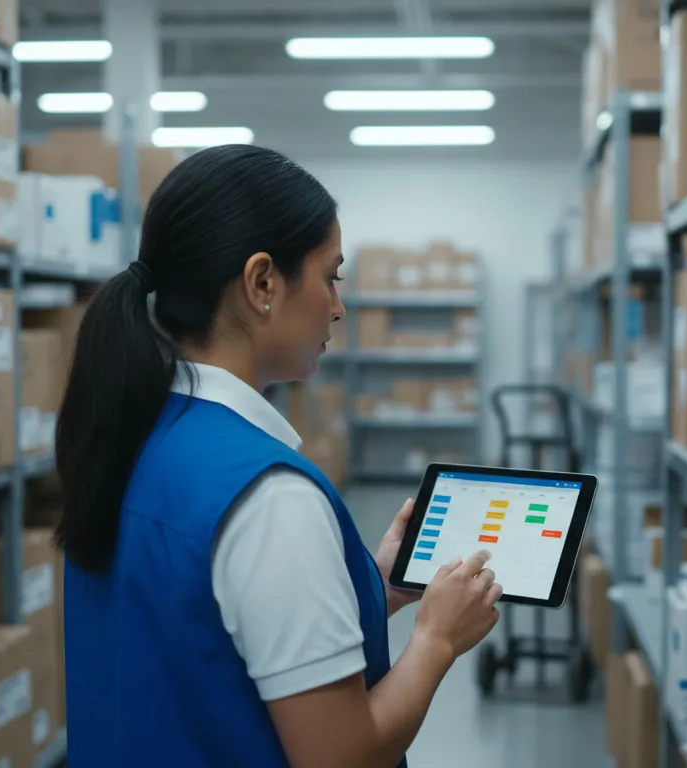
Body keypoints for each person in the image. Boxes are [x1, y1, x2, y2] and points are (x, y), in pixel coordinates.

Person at [55, 144, 503, 767]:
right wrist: (435, 639)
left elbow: (204, 629)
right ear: (262, 283)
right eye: (330, 276)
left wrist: (374, 587)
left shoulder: (131, 436)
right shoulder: (268, 497)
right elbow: (340, 757)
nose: (339, 307)